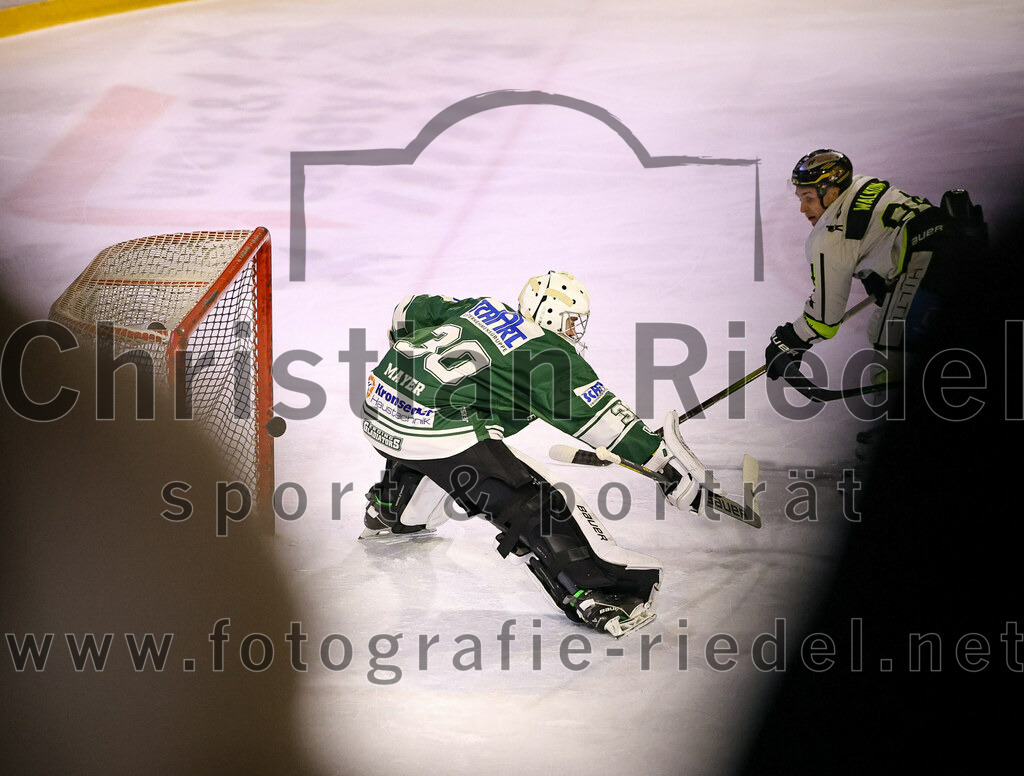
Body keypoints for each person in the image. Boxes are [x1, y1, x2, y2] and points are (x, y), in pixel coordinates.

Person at [357, 271, 706, 638]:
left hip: (379, 402)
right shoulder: (548, 353)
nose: (575, 331)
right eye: (572, 322)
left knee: (432, 445)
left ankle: (392, 508)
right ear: (551, 314)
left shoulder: (484, 307)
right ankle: (598, 591)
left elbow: (409, 310)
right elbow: (602, 419)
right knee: (529, 500)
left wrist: (407, 365)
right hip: (434, 426)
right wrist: (662, 464)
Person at [763, 148, 987, 388]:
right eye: (800, 199)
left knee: (890, 342)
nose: (803, 209)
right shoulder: (864, 184)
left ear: (832, 192)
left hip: (928, 260)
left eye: (809, 198)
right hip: (965, 246)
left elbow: (825, 320)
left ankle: (894, 416)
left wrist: (790, 340)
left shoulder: (830, 236)